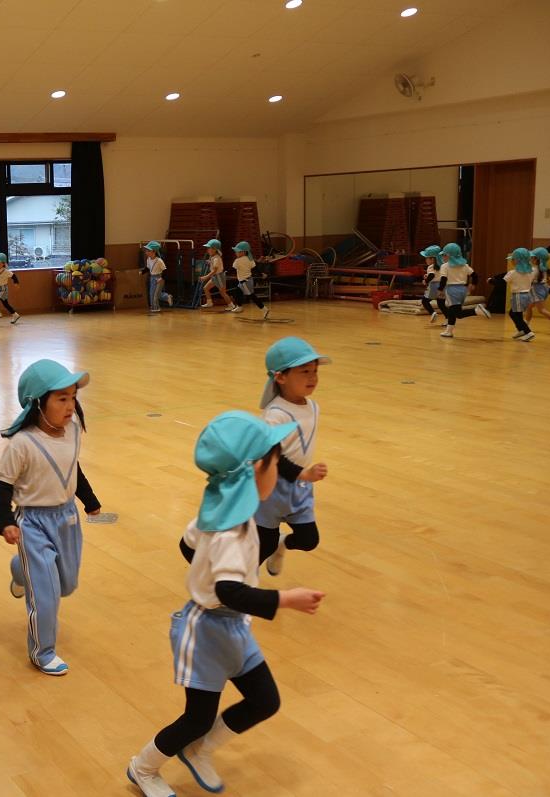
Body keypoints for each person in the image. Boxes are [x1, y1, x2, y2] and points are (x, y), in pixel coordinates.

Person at [126, 411, 325, 797]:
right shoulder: (231, 530)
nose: (280, 473)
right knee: (197, 718)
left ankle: (199, 750)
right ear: (254, 470)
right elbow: (231, 591)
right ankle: (143, 767)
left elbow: (187, 544)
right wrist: (286, 599)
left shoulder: (221, 505)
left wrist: (205, 567)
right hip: (205, 632)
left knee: (264, 700)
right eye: (275, 464)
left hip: (232, 626)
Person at [0, 359, 103, 676]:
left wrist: (89, 500)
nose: (70, 406)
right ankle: (42, 652)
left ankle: (20, 570)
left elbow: (72, 468)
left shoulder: (72, 431)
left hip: (67, 518)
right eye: (62, 398)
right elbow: (3, 486)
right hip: (33, 523)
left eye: (73, 397)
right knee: (46, 595)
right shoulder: (22, 444)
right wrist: (5, 522)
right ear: (37, 403)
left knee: (65, 584)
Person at [254, 337, 330, 576]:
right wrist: (303, 473)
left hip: (300, 487)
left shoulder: (313, 406)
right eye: (304, 371)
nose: (313, 377)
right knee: (262, 545)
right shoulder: (275, 415)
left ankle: (282, 545)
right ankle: (239, 584)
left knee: (308, 540)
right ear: (280, 377)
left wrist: (303, 476)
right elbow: (270, 456)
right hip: (271, 488)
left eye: (315, 371)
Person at [437, 242, 491, 338]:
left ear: (449, 256)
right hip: (463, 290)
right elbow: (475, 275)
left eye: (444, 255)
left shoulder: (445, 266)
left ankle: (476, 311)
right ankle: (449, 331)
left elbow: (443, 279)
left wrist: (440, 289)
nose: (443, 257)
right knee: (452, 311)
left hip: (451, 290)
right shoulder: (465, 265)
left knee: (458, 314)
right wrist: (473, 284)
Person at [503, 248, 537, 342]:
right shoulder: (532, 271)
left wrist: (491, 281)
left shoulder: (513, 273)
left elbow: (502, 282)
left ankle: (528, 332)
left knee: (515, 315)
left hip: (518, 296)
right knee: (514, 313)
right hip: (527, 295)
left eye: (513, 259)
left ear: (517, 261)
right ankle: (521, 330)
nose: (511, 261)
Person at [230, 241, 268, 319]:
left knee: (252, 296)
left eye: (237, 251)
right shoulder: (250, 259)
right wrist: (261, 274)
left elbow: (232, 269)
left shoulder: (237, 261)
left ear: (243, 252)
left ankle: (264, 309)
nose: (236, 253)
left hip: (245, 282)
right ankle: (239, 306)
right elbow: (255, 269)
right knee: (237, 292)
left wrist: (225, 272)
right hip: (248, 281)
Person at [527, 247, 550, 334]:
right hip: (544, 289)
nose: (530, 259)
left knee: (541, 310)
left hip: (537, 290)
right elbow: (548, 280)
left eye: (532, 257)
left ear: (536, 259)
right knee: (529, 306)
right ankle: (526, 324)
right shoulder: (543, 268)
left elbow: (529, 281)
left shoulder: (534, 270)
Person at [200, 239, 233, 310]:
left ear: (214, 249)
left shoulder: (216, 258)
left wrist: (206, 277)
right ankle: (209, 302)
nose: (207, 250)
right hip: (215, 277)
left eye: (209, 248)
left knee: (222, 292)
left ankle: (231, 305)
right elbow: (214, 265)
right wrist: (210, 262)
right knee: (206, 288)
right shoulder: (213, 257)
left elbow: (214, 270)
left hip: (219, 277)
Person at [142, 241, 173, 313]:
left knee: (155, 294)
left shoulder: (159, 261)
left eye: (148, 251)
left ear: (154, 251)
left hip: (159, 278)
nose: (146, 252)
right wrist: (142, 272)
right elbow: (148, 268)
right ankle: (167, 297)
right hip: (152, 278)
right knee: (153, 293)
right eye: (146, 251)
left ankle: (156, 308)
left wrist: (161, 278)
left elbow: (165, 270)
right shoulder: (148, 259)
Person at [419, 245, 447, 323]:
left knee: (425, 301)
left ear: (432, 259)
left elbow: (432, 275)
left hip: (434, 286)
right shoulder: (442, 266)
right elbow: (437, 275)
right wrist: (427, 276)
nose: (425, 260)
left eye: (426, 258)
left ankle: (433, 313)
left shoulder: (431, 266)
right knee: (441, 304)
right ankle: (448, 319)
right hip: (442, 286)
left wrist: (426, 281)